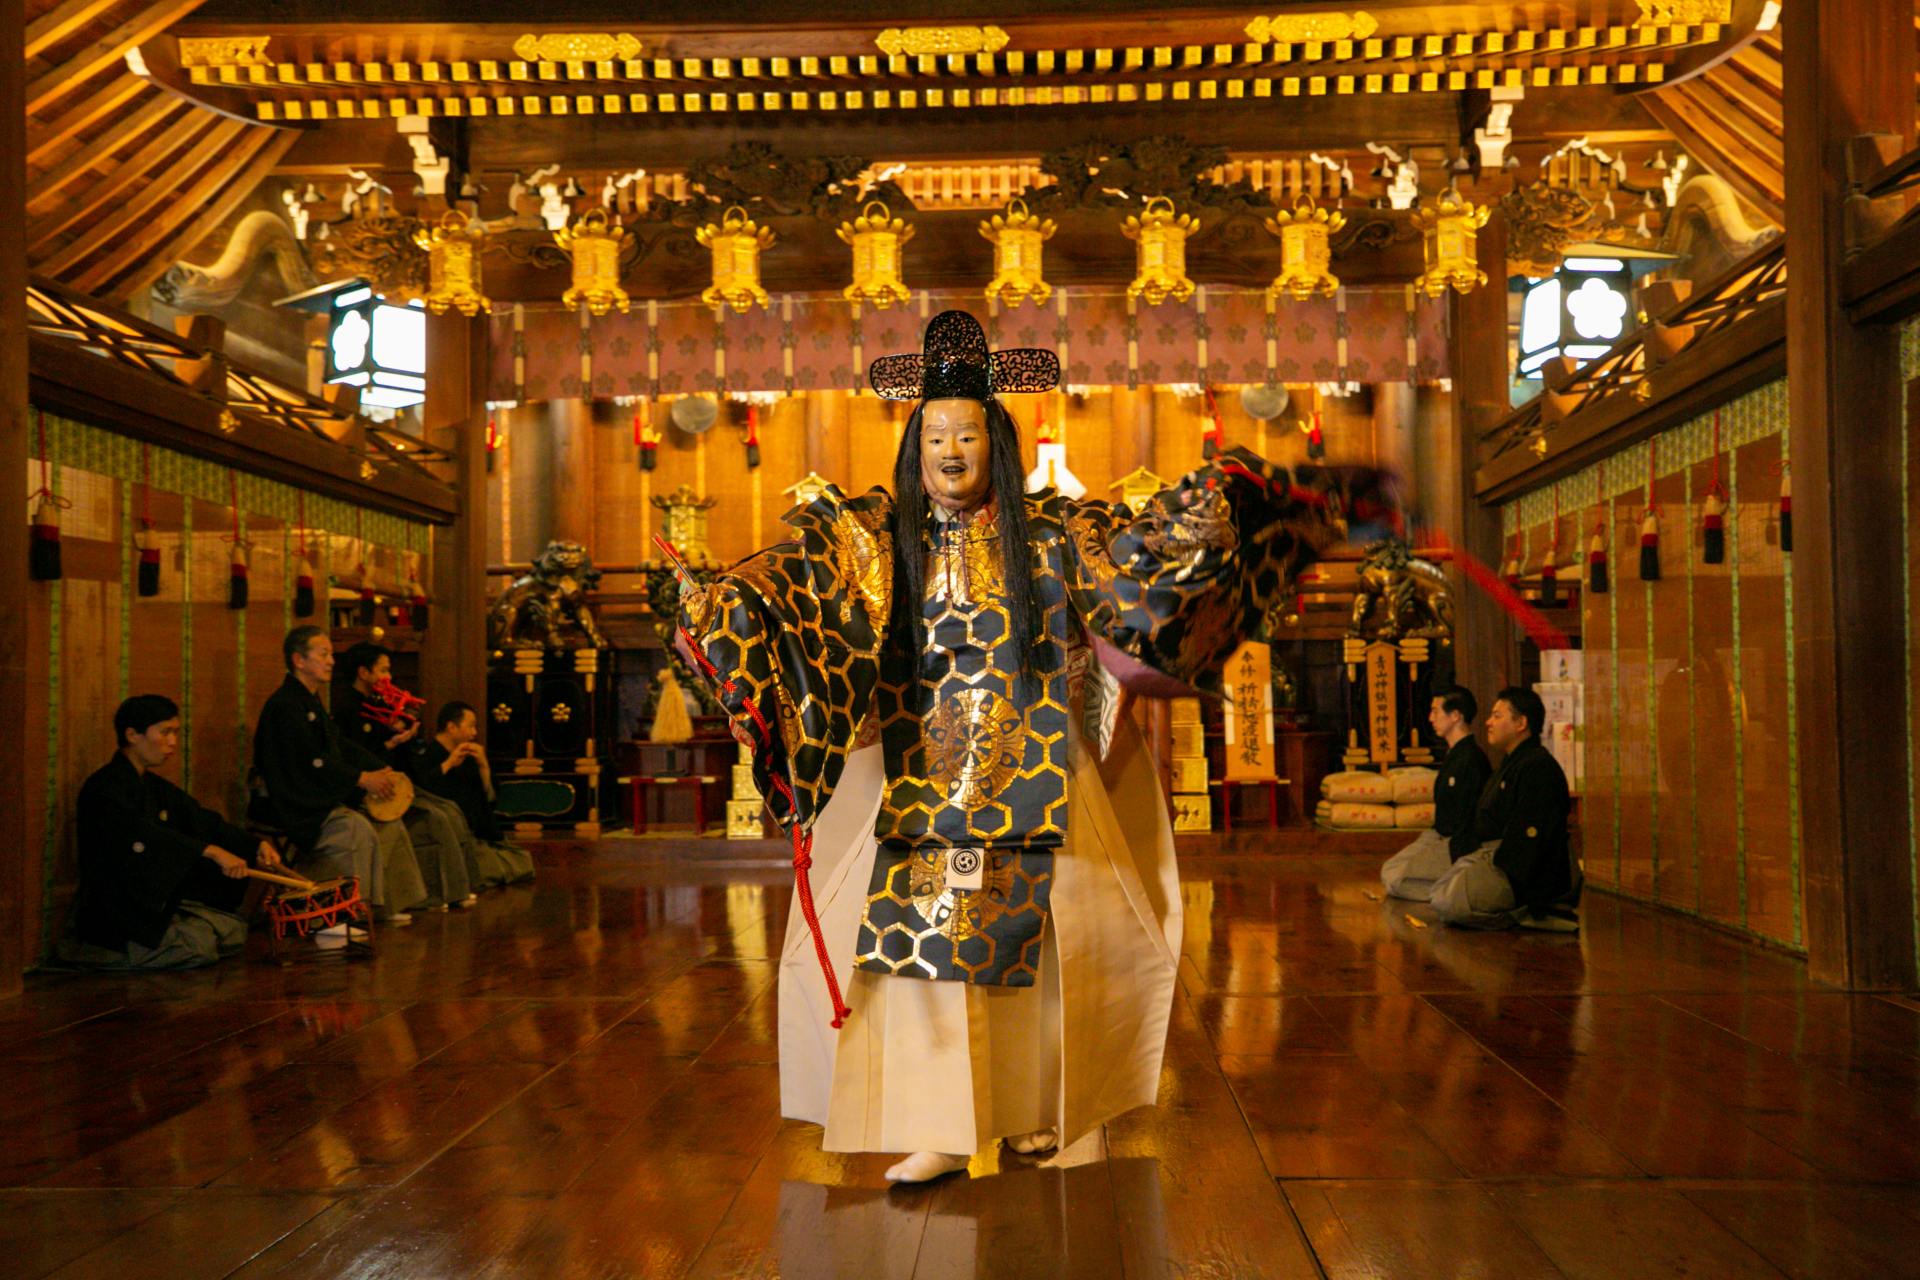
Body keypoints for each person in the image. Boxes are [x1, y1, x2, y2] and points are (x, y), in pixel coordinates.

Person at [672, 311, 1379, 1183]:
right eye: (935, 434)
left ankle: (1040, 1115)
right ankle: (942, 1125)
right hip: (919, 777)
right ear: (913, 443)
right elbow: (794, 579)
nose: (950, 452)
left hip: (1034, 764)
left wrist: (1232, 512)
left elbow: (1141, 558)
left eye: (966, 432)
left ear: (994, 440)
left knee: (1046, 957)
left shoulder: (1050, 532)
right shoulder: (874, 539)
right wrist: (729, 604)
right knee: (923, 964)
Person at [55, 695, 286, 969]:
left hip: (153, 906)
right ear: (132, 735)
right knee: (200, 945)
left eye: (175, 733)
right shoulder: (104, 789)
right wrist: (209, 851)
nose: (173, 742)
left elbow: (201, 820)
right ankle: (95, 951)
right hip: (118, 912)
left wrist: (253, 845)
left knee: (233, 930)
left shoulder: (153, 786)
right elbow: (145, 837)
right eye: (165, 732)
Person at [251, 625, 428, 931]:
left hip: (318, 791)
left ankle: (385, 904)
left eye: (331, 654)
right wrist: (361, 779)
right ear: (299, 660)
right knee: (353, 828)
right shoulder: (284, 705)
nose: (332, 661)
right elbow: (310, 761)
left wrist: (378, 769)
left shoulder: (309, 700)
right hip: (295, 799)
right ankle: (336, 916)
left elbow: (339, 746)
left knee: (389, 821)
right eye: (324, 654)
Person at [335, 643, 478, 910]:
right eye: (383, 670)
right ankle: (436, 896)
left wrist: (405, 734)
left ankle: (462, 887)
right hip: (370, 788)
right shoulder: (345, 707)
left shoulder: (380, 702)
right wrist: (391, 742)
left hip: (398, 779)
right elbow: (354, 754)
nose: (388, 677)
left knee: (450, 810)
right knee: (434, 818)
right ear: (363, 672)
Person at [1430, 685, 1580, 932]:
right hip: (1491, 855)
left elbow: (1530, 838)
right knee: (1439, 893)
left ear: (1521, 723)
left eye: (1497, 716)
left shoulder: (1537, 766)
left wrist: (1512, 881)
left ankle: (1526, 911)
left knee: (1448, 902)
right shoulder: (1511, 762)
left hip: (1519, 868)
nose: (1488, 722)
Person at [1381, 686, 1492, 901]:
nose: (1430, 718)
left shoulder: (1471, 759)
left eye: (1435, 711)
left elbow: (1469, 818)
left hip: (1456, 842)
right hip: (1438, 835)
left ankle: (1451, 894)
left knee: (1397, 879)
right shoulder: (1454, 754)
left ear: (1455, 716)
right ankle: (1447, 888)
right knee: (1389, 870)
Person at [411, 701, 536, 886]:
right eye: (470, 726)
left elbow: (490, 799)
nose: (474, 733)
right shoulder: (426, 755)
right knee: (495, 868)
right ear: (451, 727)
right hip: (454, 838)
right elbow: (424, 790)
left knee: (524, 862)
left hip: (479, 834)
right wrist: (448, 764)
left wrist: (483, 765)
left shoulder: (469, 757)